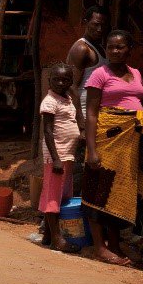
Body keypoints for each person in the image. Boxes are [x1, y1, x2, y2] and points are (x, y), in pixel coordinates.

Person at [83, 29, 143, 266]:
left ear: (129, 49)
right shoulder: (98, 75)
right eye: (111, 47)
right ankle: (99, 247)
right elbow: (92, 113)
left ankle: (115, 244)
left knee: (120, 190)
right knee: (100, 189)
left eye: (120, 47)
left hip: (130, 141)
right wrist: (92, 149)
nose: (115, 51)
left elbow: (138, 102)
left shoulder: (135, 73)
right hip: (107, 137)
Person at [37, 64, 84, 252]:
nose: (61, 83)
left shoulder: (68, 98)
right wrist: (55, 158)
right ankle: (57, 239)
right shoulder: (49, 101)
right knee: (53, 197)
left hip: (68, 154)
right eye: (56, 79)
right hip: (57, 155)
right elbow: (48, 132)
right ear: (49, 81)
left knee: (62, 195)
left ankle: (48, 236)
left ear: (71, 82)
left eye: (65, 79)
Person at [66, 5, 108, 119]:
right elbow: (71, 87)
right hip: (84, 112)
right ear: (86, 22)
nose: (100, 29)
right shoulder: (82, 49)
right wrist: (80, 122)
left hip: (97, 112)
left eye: (103, 25)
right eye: (96, 24)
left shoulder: (100, 48)